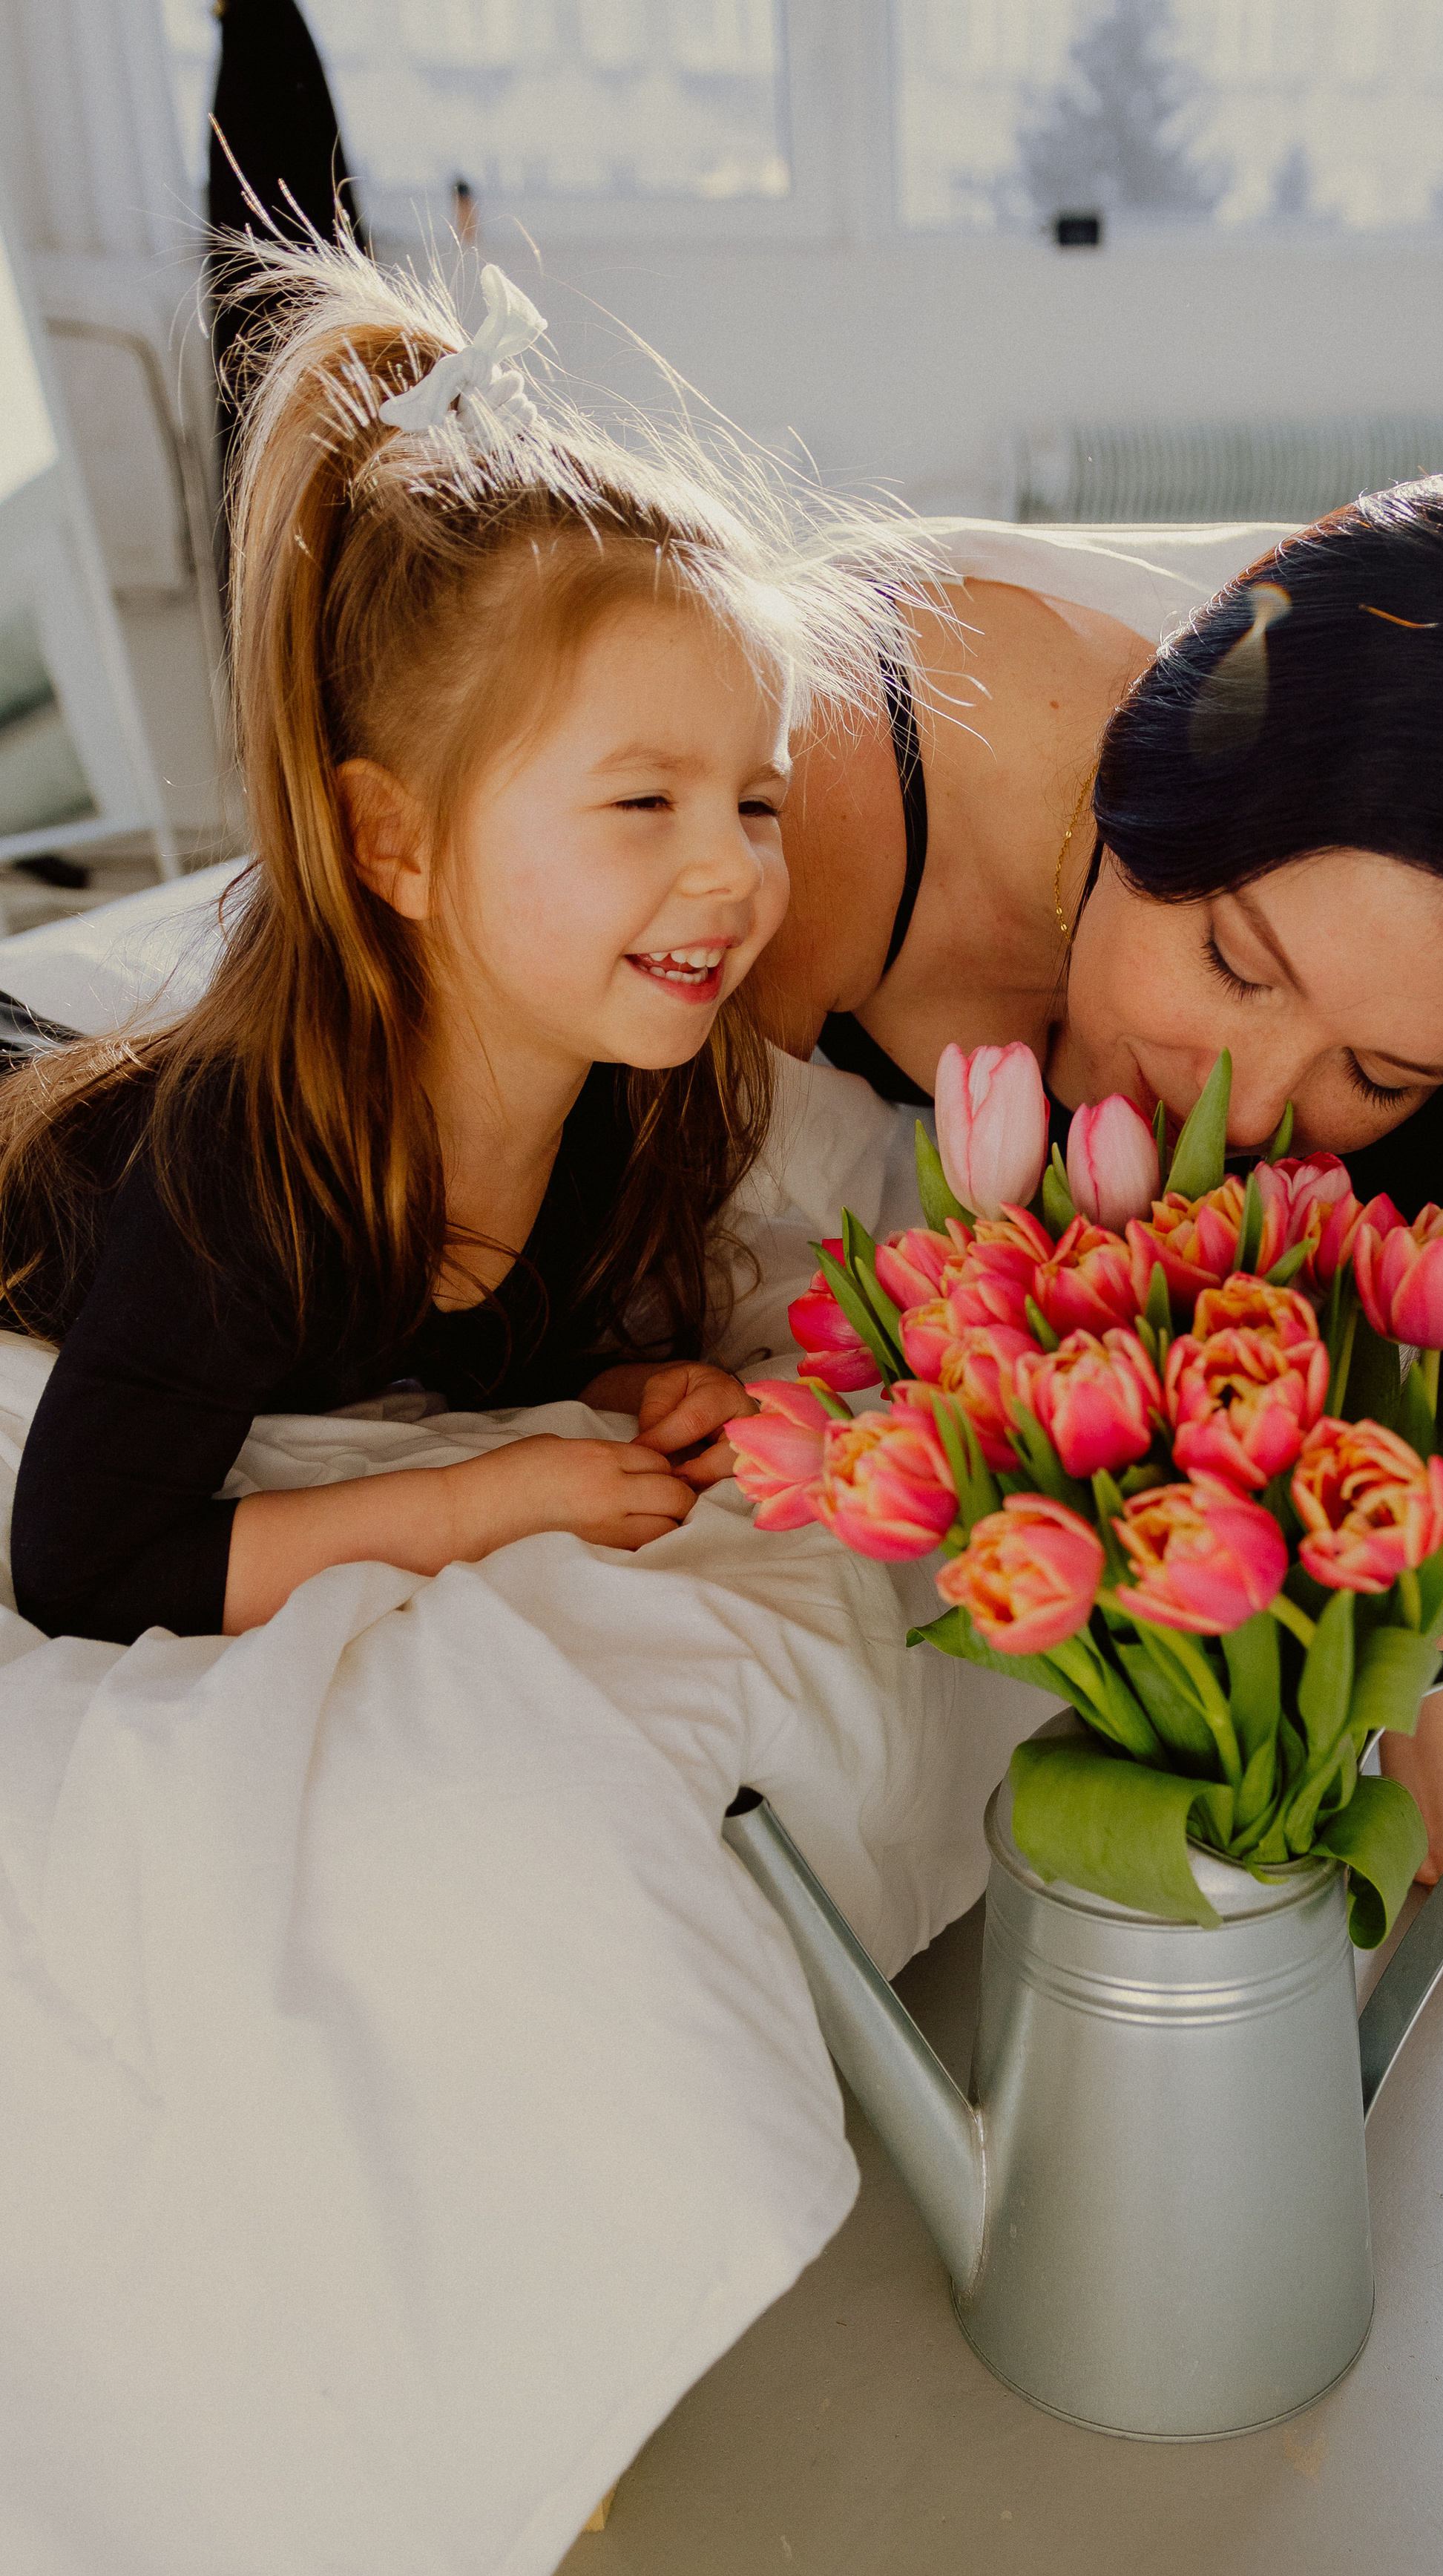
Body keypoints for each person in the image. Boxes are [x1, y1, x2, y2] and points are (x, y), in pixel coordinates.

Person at [756, 479, 1443, 1921]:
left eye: (1375, 1071)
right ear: (1161, 780)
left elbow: (1427, 1338)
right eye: (1236, 967)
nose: (1243, 1112)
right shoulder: (827, 787)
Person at [0, 243, 896, 1645]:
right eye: (646, 801)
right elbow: (84, 1564)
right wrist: (477, 1504)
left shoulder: (612, 1090)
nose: (733, 865)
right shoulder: (253, 1157)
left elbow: (469, 1342)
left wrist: (619, 1394)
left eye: (758, 799)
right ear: (395, 845)